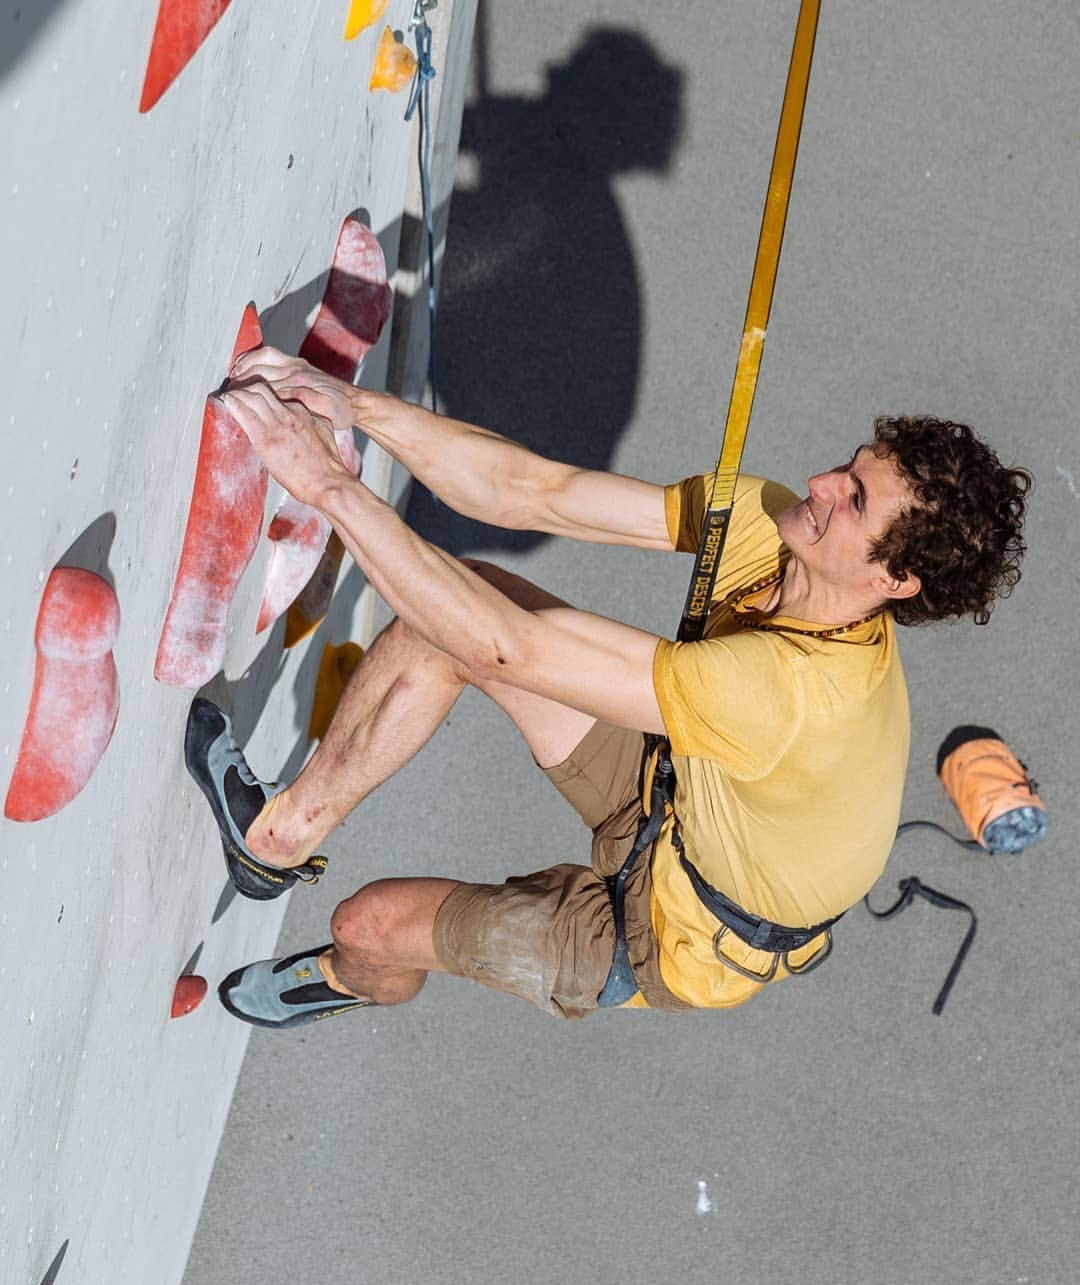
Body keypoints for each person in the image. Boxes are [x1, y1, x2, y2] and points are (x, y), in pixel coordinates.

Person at [186, 346, 1032, 1028]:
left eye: (852, 500)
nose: (818, 485)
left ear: (897, 579)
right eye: (845, 468)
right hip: (684, 793)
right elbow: (536, 492)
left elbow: (511, 648)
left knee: (366, 926)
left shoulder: (790, 694)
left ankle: (355, 980)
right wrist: (352, 408)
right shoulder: (771, 531)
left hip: (671, 933)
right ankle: (276, 842)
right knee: (445, 613)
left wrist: (329, 484)